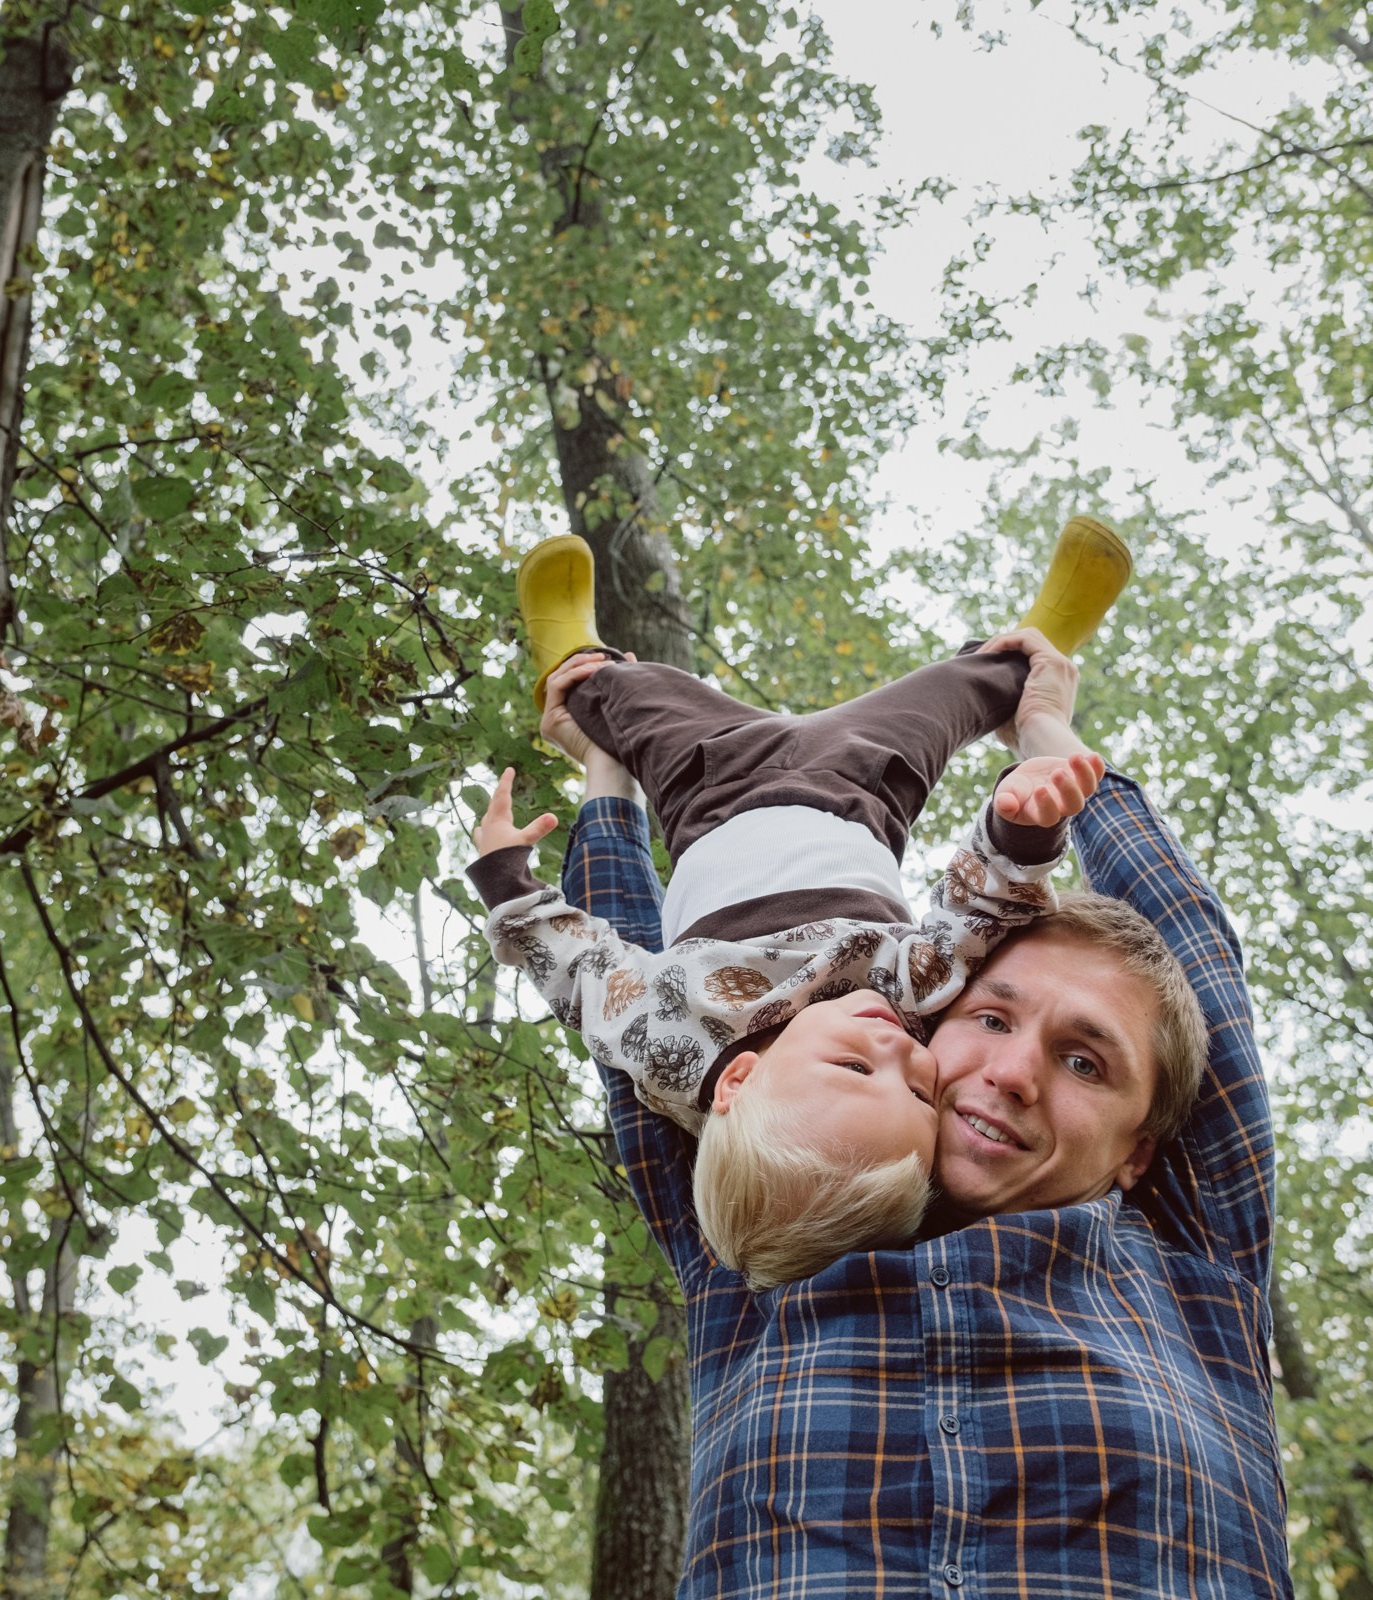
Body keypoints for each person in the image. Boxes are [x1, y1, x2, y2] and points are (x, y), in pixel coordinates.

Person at [554, 614, 1288, 1596]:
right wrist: (607, 776)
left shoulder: (1195, 1263)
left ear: (1141, 1151)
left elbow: (1195, 958)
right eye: (989, 1018)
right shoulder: (765, 1240)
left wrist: (1049, 737)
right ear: (927, 1026)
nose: (1017, 1070)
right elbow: (633, 1018)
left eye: (1084, 1060)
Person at [467, 531, 1114, 1286]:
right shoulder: (905, 1003)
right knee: (960, 692)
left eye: (853, 1067)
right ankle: (1035, 652)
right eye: (916, 1092)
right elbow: (975, 917)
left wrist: (507, 884)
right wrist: (1022, 829)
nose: (902, 1054)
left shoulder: (673, 1044)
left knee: (623, 699)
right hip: (865, 784)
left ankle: (571, 657)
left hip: (709, 786)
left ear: (736, 1083)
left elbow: (581, 976)